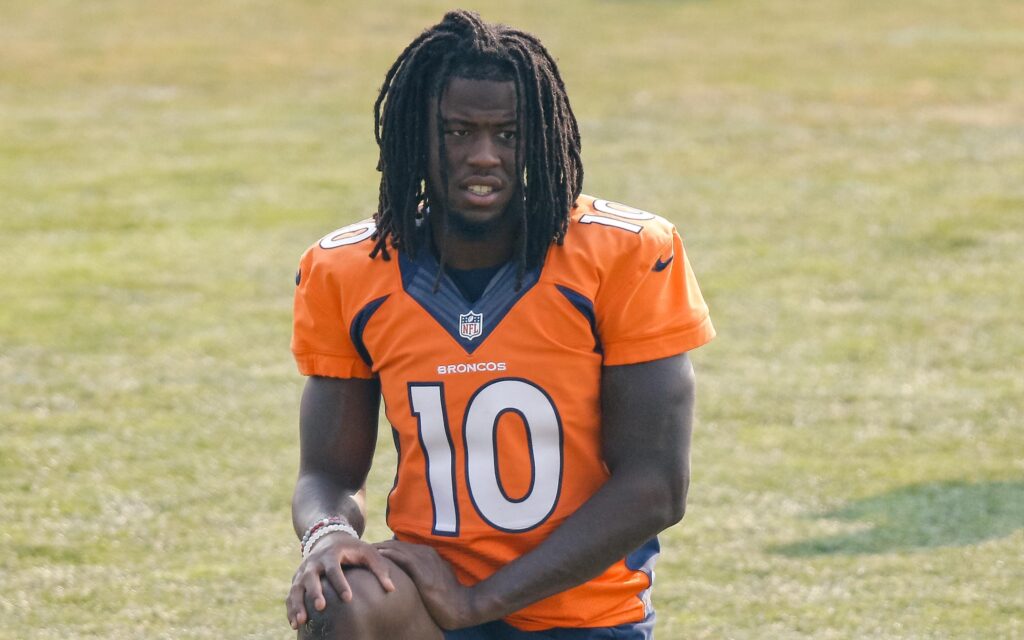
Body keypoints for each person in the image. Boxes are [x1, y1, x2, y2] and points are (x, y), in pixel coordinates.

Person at [285, 10, 715, 639]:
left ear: (540, 137)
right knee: (341, 595)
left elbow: (656, 487)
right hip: (431, 599)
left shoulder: (626, 254)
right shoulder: (348, 268)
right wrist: (325, 539)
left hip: (583, 616)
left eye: (509, 134)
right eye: (458, 132)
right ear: (415, 135)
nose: (483, 156)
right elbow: (327, 473)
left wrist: (481, 602)